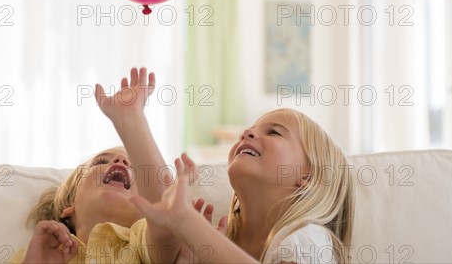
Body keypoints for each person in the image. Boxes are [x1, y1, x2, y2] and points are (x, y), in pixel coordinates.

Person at [130, 108, 355, 264]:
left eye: (273, 132)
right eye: (251, 129)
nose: (246, 133)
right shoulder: (221, 241)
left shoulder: (309, 238)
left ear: (309, 178)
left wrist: (188, 224)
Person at [10, 68, 181, 264]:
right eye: (102, 161)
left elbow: (166, 213)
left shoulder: (142, 244)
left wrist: (132, 119)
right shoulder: (41, 251)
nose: (120, 162)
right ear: (69, 204)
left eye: (137, 171)